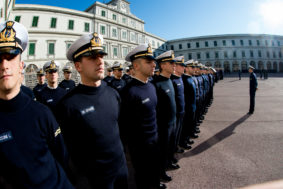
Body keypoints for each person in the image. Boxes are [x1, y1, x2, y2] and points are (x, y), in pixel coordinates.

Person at [0, 20, 73, 189]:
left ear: (21, 66)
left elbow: (61, 156)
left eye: (10, 57)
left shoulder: (42, 113)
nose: (4, 65)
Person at [56, 32, 128, 189]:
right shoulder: (68, 105)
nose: (100, 61)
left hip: (121, 172)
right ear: (78, 66)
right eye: (92, 57)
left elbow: (119, 131)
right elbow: (66, 152)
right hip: (95, 181)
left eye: (101, 56)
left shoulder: (113, 94)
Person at [120, 44, 166, 189]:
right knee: (143, 178)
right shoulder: (129, 92)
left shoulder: (151, 86)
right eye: (148, 62)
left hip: (154, 141)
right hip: (140, 148)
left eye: (153, 61)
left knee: (154, 174)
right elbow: (124, 126)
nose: (154, 64)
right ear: (136, 66)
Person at [152, 50, 178, 182]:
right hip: (163, 125)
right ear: (162, 65)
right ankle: (160, 173)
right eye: (171, 63)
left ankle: (168, 163)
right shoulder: (156, 84)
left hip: (172, 122)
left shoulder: (170, 80)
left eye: (174, 62)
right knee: (162, 150)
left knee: (170, 147)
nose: (174, 65)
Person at [170, 56, 186, 155]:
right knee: (173, 135)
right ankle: (172, 151)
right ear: (175, 67)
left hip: (181, 111)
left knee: (178, 132)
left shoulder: (180, 79)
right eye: (182, 66)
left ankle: (175, 147)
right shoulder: (172, 80)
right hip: (175, 114)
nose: (184, 68)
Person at [180, 60, 197, 149]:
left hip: (192, 106)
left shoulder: (190, 78)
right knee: (185, 126)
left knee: (190, 124)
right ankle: (183, 141)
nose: (194, 69)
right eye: (192, 67)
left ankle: (187, 138)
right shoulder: (184, 80)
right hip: (187, 107)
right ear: (186, 69)